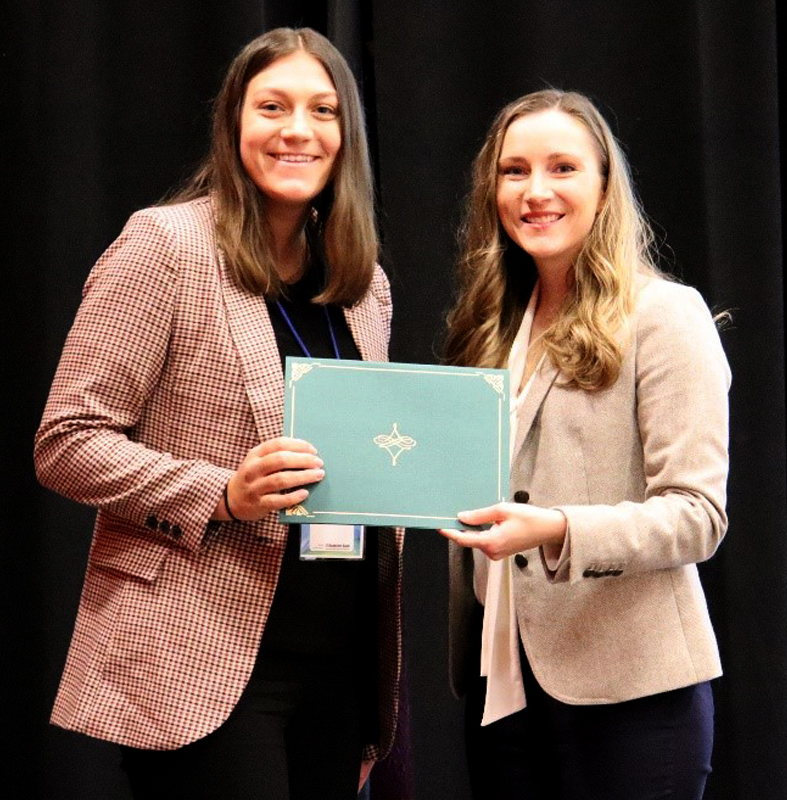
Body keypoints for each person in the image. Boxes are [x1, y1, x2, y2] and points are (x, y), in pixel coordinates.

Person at [34, 27, 402, 800]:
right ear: (235, 123)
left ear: (348, 137)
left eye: (322, 111)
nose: (297, 130)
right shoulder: (165, 246)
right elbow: (66, 441)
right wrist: (222, 495)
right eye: (273, 107)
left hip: (338, 663)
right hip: (198, 662)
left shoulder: (364, 284)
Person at [441, 90, 730, 800]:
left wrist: (560, 530)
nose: (536, 191)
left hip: (632, 697)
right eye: (514, 171)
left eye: (562, 167)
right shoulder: (488, 326)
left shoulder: (665, 315)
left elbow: (698, 514)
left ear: (604, 186)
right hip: (503, 685)